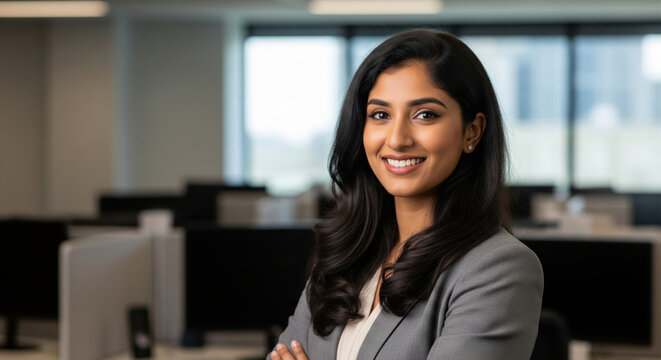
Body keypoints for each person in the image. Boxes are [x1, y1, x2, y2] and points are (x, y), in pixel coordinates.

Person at [268, 29, 544, 360]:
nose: (397, 139)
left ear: (472, 130)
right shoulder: (346, 255)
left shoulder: (498, 268)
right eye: (380, 115)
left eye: (425, 114)